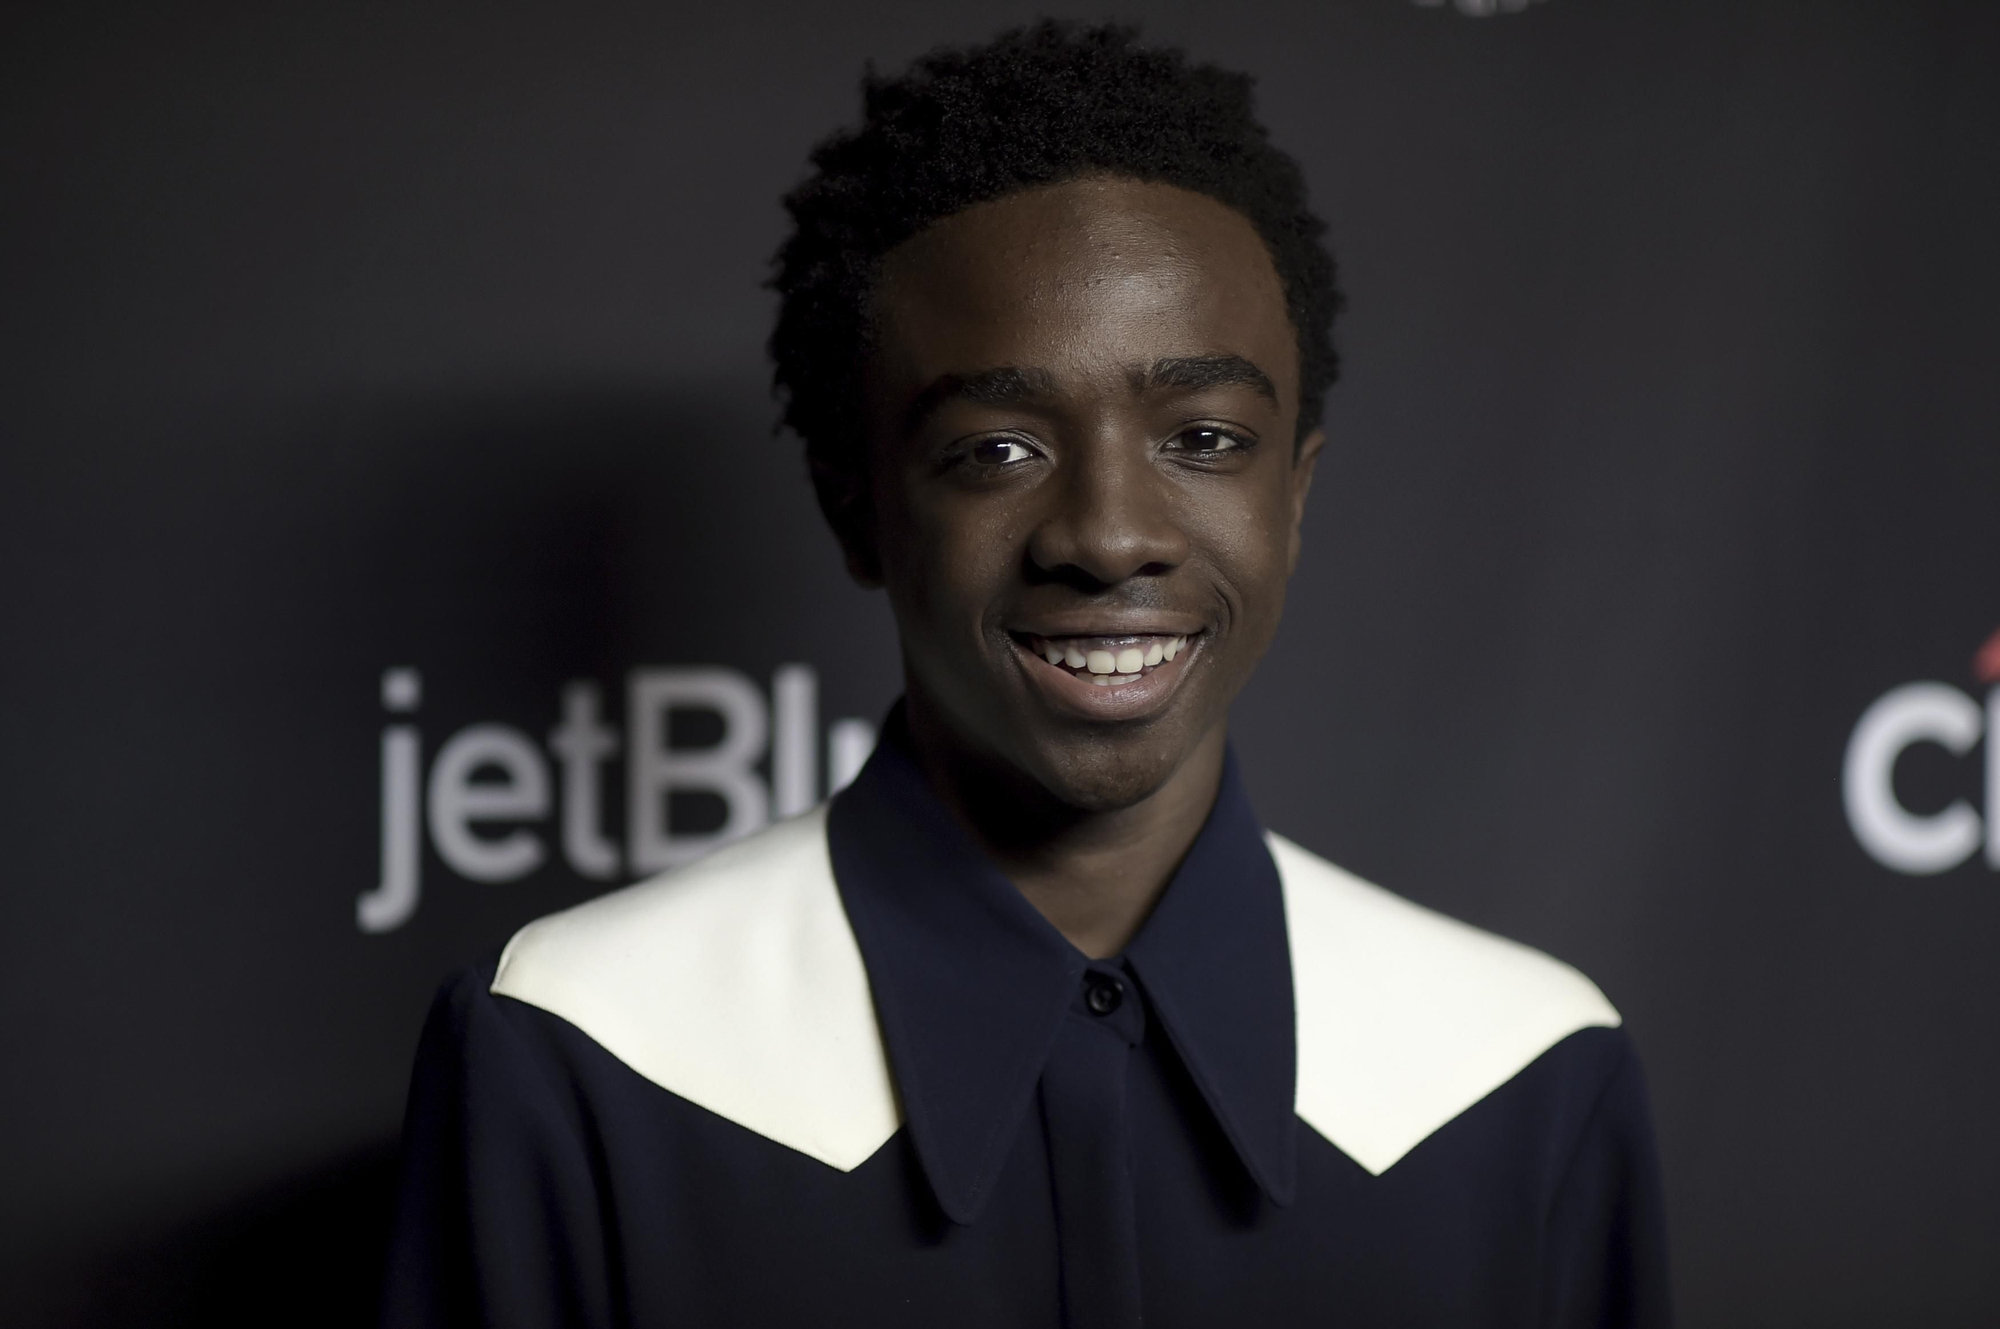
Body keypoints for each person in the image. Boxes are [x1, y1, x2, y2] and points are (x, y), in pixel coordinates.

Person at [380, 21, 1669, 1328]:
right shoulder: (579, 1050)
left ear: (1297, 494)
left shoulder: (1524, 1077)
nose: (1108, 533)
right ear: (854, 505)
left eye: (1205, 437)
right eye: (995, 450)